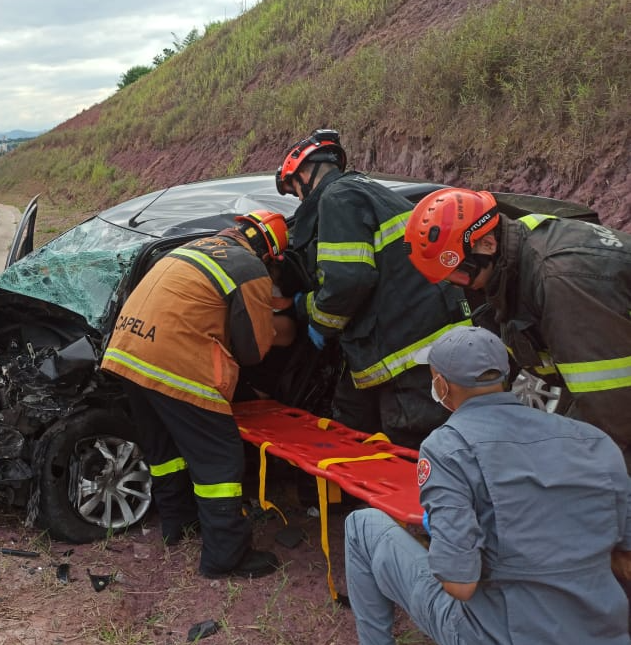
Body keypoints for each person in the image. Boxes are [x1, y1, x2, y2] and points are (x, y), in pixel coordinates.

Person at [344, 325, 631, 645]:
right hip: (599, 633)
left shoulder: (447, 448)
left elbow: (459, 583)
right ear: (504, 375)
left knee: (362, 525)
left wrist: (445, 533)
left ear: (440, 383)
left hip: (499, 634)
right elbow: (624, 560)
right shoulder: (593, 440)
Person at [100, 210, 296, 579]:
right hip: (174, 363)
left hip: (126, 351)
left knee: (164, 451)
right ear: (271, 254)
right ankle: (226, 558)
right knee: (219, 461)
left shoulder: (195, 247)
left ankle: (178, 525)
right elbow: (254, 350)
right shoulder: (250, 267)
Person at [404, 187, 631, 469]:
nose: (458, 284)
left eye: (460, 274)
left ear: (487, 244)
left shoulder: (559, 281)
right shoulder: (512, 253)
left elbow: (612, 409)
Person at [275, 129, 470, 448]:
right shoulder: (368, 191)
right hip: (426, 344)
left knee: (414, 450)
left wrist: (315, 318)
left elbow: (348, 280)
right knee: (354, 420)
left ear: (305, 173)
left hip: (410, 354)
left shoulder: (336, 198)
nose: (298, 200)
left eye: (294, 190)